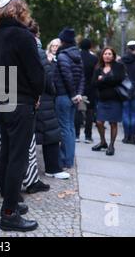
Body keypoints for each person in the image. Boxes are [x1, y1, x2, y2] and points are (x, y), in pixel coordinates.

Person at [0, 0, 44, 232]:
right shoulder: (23, 36)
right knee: (18, 158)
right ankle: (9, 214)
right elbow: (37, 74)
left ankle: (9, 201)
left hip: (5, 100)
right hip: (21, 102)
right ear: (20, 11)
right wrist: (36, 94)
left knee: (8, 153)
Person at [22, 23, 69, 195]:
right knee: (51, 134)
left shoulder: (19, 49)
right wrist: (52, 91)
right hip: (43, 100)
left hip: (28, 99)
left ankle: (30, 174)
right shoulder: (38, 52)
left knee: (31, 137)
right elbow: (47, 78)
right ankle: (53, 168)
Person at [54, 27, 84, 169]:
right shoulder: (77, 56)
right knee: (71, 128)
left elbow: (67, 77)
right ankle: (69, 159)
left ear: (64, 41)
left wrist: (73, 95)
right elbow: (82, 77)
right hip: (73, 97)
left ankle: (66, 160)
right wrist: (78, 94)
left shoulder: (62, 56)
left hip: (63, 96)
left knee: (65, 128)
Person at [91, 47, 126, 155]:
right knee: (99, 122)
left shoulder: (119, 66)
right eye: (105, 53)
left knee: (113, 123)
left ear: (113, 56)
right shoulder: (98, 68)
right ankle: (103, 142)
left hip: (115, 99)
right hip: (102, 99)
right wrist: (106, 81)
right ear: (102, 55)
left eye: (109, 54)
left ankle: (111, 145)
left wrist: (103, 79)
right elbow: (94, 83)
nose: (107, 55)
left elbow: (119, 79)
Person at [75, 38, 98, 144]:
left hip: (79, 87)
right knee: (89, 112)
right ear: (90, 46)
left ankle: (76, 134)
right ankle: (88, 136)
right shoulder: (94, 58)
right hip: (91, 88)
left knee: (78, 111)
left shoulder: (77, 57)